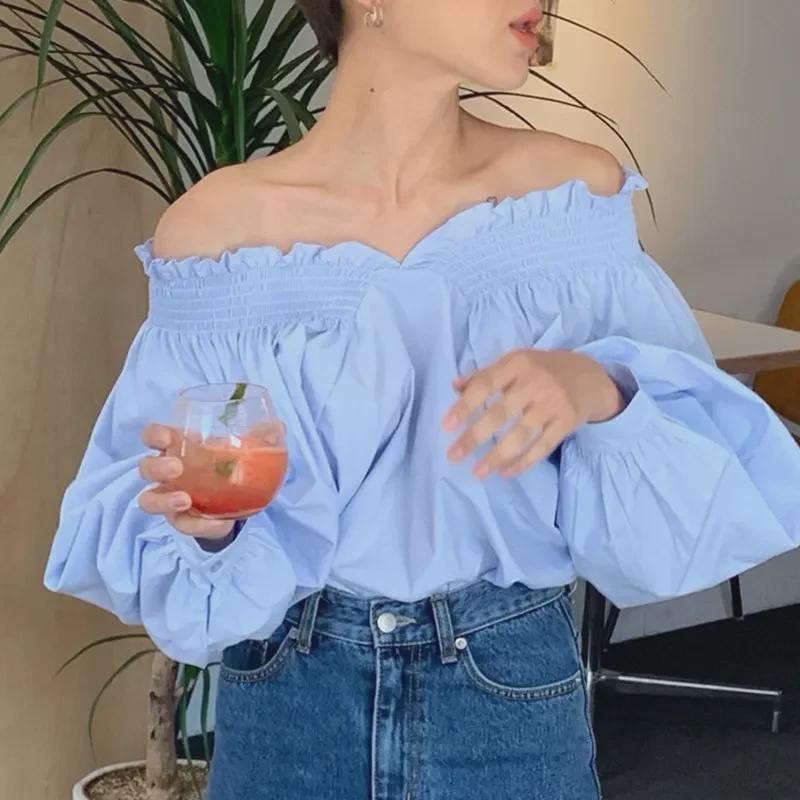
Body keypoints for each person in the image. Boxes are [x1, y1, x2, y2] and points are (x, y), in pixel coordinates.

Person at [44, 1, 800, 798]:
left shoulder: (570, 199)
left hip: (508, 691)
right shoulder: (217, 237)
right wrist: (210, 528)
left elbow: (680, 509)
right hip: (288, 700)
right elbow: (165, 515)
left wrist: (599, 387)